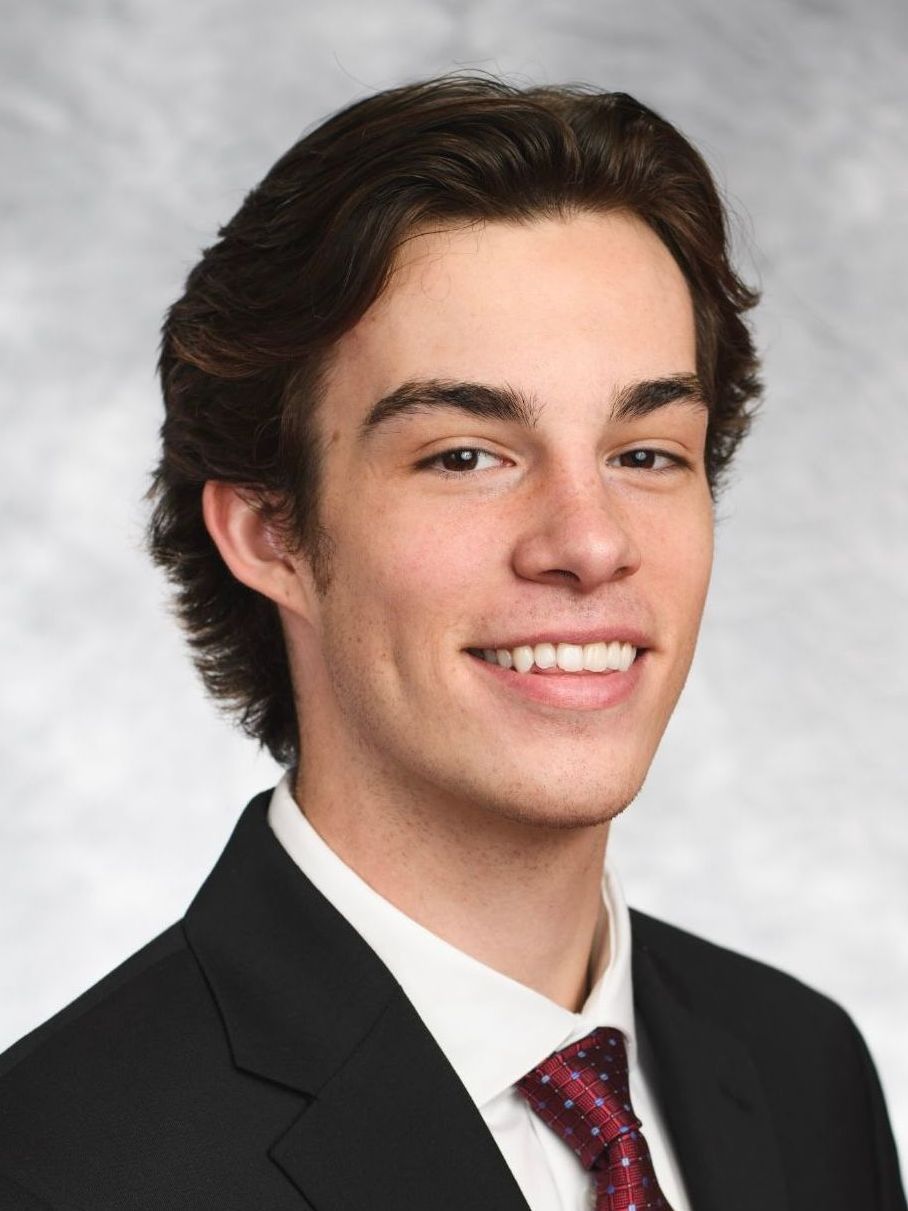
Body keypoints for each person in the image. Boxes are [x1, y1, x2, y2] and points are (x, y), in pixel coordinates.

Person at [0, 74, 903, 1211]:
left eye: (644, 451)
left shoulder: (798, 1068)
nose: (588, 541)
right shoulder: (56, 1168)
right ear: (271, 532)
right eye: (465, 455)